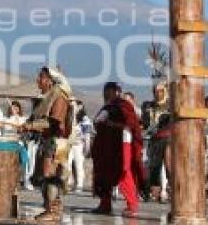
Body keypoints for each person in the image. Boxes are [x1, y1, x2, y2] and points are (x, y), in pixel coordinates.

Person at [22, 67, 73, 223]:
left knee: (50, 176)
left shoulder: (59, 97)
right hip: (48, 141)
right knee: (45, 176)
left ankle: (53, 211)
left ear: (50, 81)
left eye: (41, 77)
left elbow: (52, 123)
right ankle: (50, 208)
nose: (38, 80)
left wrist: (30, 126)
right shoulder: (48, 97)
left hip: (56, 142)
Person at [92, 83, 143, 216]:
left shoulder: (123, 105)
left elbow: (131, 124)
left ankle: (132, 206)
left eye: (108, 91)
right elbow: (97, 123)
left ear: (116, 92)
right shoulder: (107, 107)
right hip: (106, 146)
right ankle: (105, 204)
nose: (105, 94)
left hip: (122, 144)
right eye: (104, 91)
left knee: (123, 172)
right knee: (103, 174)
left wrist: (112, 124)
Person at [142, 81, 171, 203]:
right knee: (154, 166)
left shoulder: (171, 106)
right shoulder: (149, 106)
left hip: (169, 139)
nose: (158, 94)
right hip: (154, 139)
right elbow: (145, 123)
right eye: (156, 91)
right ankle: (155, 192)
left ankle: (172, 192)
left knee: (170, 167)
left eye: (160, 91)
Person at [67, 100, 86, 193]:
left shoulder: (85, 119)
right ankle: (69, 182)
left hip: (79, 145)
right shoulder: (69, 117)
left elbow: (87, 133)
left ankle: (80, 184)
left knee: (79, 164)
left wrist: (86, 147)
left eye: (77, 105)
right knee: (68, 164)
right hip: (69, 143)